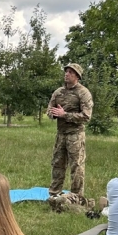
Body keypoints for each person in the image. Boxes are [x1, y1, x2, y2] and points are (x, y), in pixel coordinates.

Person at [47, 63, 93, 199]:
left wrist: (65, 115)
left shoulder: (83, 93)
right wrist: (53, 114)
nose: (67, 74)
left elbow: (86, 116)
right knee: (57, 164)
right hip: (61, 135)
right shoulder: (58, 92)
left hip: (75, 135)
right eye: (66, 71)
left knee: (77, 166)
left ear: (77, 76)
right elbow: (49, 109)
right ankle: (54, 194)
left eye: (71, 72)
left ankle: (76, 196)